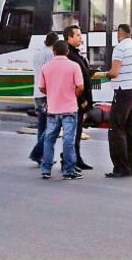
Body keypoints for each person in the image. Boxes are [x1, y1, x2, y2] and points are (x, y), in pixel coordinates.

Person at [95, 24, 132, 177]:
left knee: (116, 129)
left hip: (123, 90)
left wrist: (104, 74)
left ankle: (121, 167)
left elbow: (114, 72)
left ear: (120, 34)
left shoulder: (120, 48)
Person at [39, 40, 85, 180]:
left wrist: (52, 93)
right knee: (68, 140)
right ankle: (68, 171)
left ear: (53, 51)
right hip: (70, 109)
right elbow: (80, 86)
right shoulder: (74, 66)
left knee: (49, 140)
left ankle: (46, 169)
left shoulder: (46, 67)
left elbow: (41, 87)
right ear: (67, 52)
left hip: (53, 109)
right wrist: (72, 95)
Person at [63, 25, 94, 171]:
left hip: (80, 100)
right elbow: (71, 81)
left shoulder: (76, 53)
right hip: (76, 101)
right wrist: (81, 100)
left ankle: (76, 158)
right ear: (69, 37)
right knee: (73, 132)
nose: (80, 38)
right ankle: (70, 161)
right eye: (78, 35)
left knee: (77, 131)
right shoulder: (69, 55)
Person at [29, 32, 59, 165]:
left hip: (37, 92)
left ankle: (42, 156)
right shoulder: (50, 55)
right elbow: (51, 75)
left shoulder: (38, 53)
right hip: (47, 93)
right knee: (51, 126)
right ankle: (37, 153)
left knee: (42, 125)